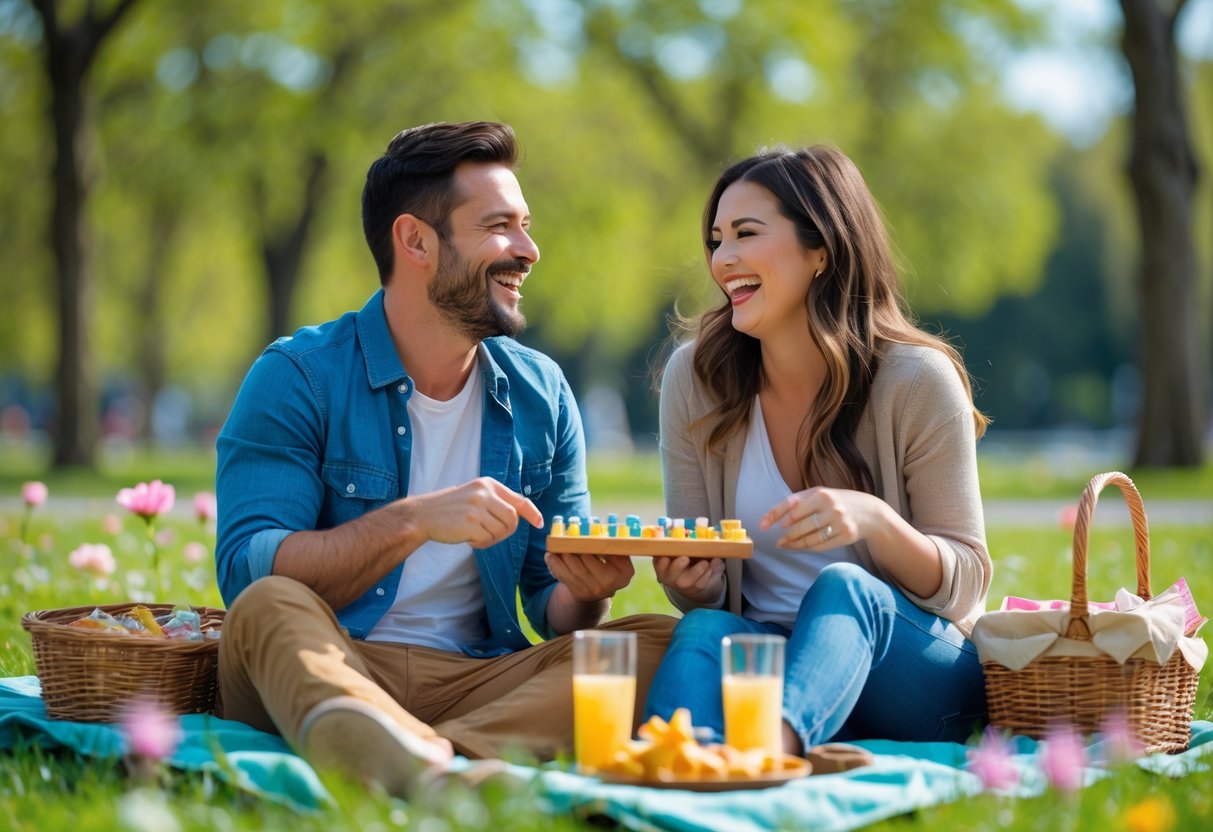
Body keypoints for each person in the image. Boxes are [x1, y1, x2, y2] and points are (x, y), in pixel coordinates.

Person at [214, 121, 675, 796]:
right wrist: (415, 521)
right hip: (329, 658)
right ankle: (422, 752)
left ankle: (433, 763)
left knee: (659, 642)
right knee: (266, 605)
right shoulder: (298, 375)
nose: (529, 250)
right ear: (416, 241)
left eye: (525, 226)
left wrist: (585, 591)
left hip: (479, 679)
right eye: (500, 227)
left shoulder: (541, 391)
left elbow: (550, 604)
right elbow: (247, 567)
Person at [643, 145, 992, 755]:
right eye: (716, 239)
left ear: (821, 250)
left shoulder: (915, 381)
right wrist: (692, 584)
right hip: (773, 662)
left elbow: (965, 583)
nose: (723, 259)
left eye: (746, 234)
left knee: (844, 587)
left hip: (915, 680)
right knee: (703, 628)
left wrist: (876, 522)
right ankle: (668, 773)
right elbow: (701, 581)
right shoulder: (694, 380)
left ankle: (763, 758)